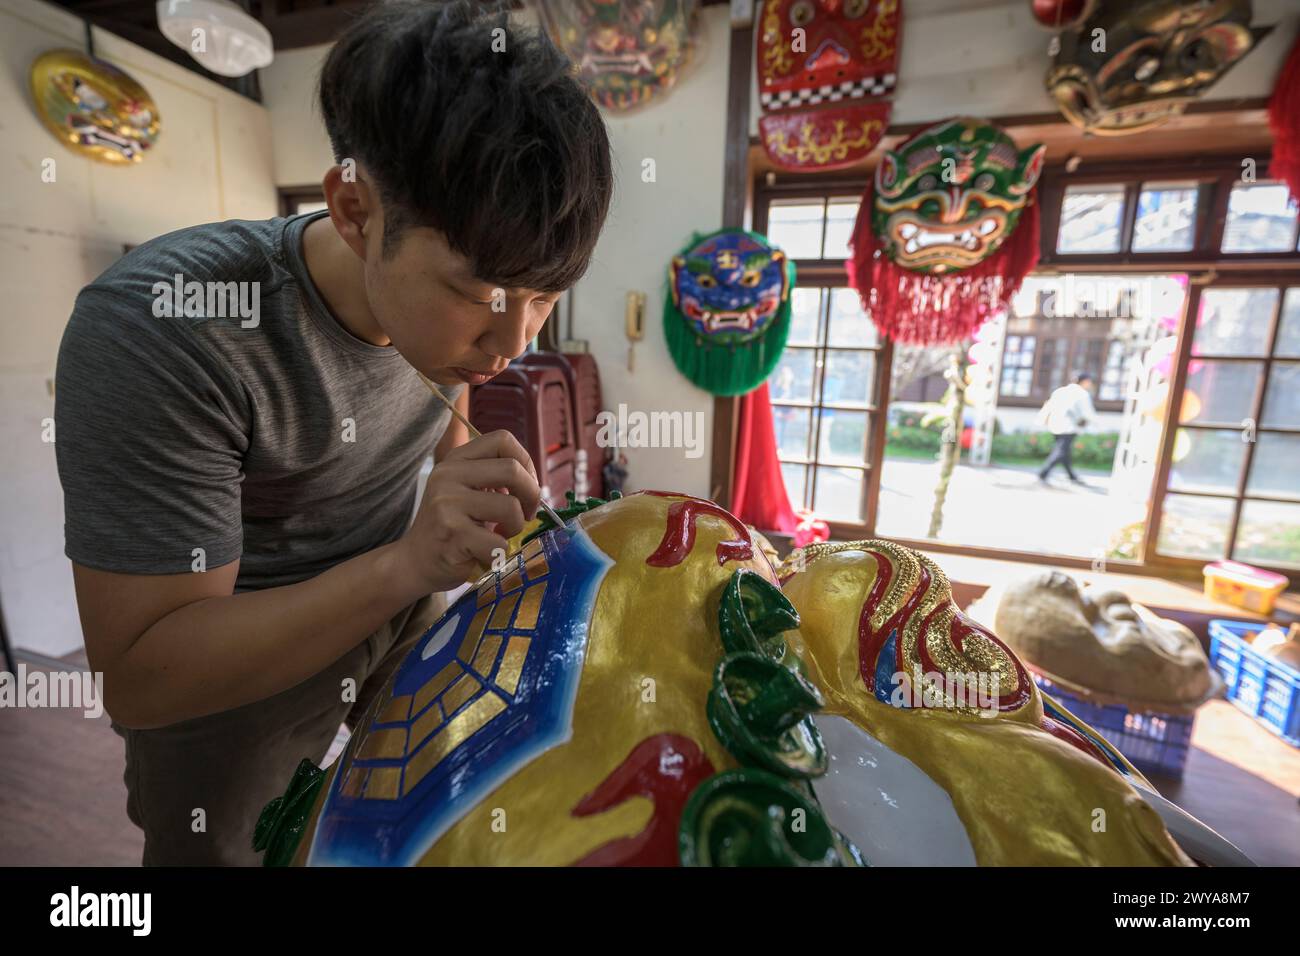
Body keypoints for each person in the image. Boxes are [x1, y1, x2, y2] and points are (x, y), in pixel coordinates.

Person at [53, 0, 612, 865]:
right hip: (229, 689)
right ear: (355, 210)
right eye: (479, 295)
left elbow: (441, 407)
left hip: (398, 605)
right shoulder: (166, 328)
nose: (512, 345)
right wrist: (406, 564)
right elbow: (141, 675)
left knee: (441, 821)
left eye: (545, 298)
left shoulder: (441, 322)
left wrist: (465, 484)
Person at [1036, 372, 1097, 486]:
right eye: (1089, 382)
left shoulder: (1060, 391)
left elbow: (1049, 406)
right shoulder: (1082, 394)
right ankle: (1043, 473)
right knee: (1060, 451)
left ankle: (1072, 476)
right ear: (1084, 381)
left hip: (1055, 424)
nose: (1090, 384)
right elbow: (1087, 413)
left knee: (1064, 451)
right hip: (1069, 427)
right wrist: (1095, 423)